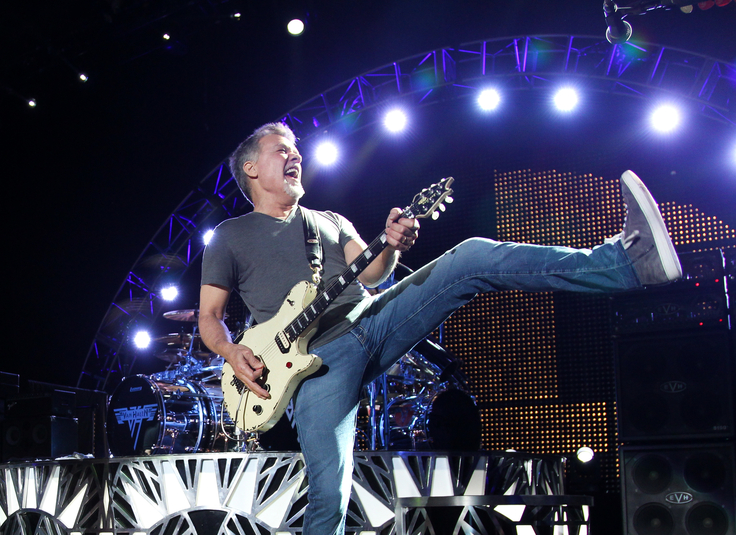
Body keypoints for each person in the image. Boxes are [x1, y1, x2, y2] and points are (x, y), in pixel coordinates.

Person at [197, 122, 681, 534]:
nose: (295, 155)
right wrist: (231, 352)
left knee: (469, 256)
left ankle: (624, 262)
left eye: (297, 149)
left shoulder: (325, 220)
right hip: (311, 370)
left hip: (371, 319)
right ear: (252, 169)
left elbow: (371, 276)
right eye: (282, 149)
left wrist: (392, 244)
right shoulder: (231, 236)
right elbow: (208, 317)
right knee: (329, 495)